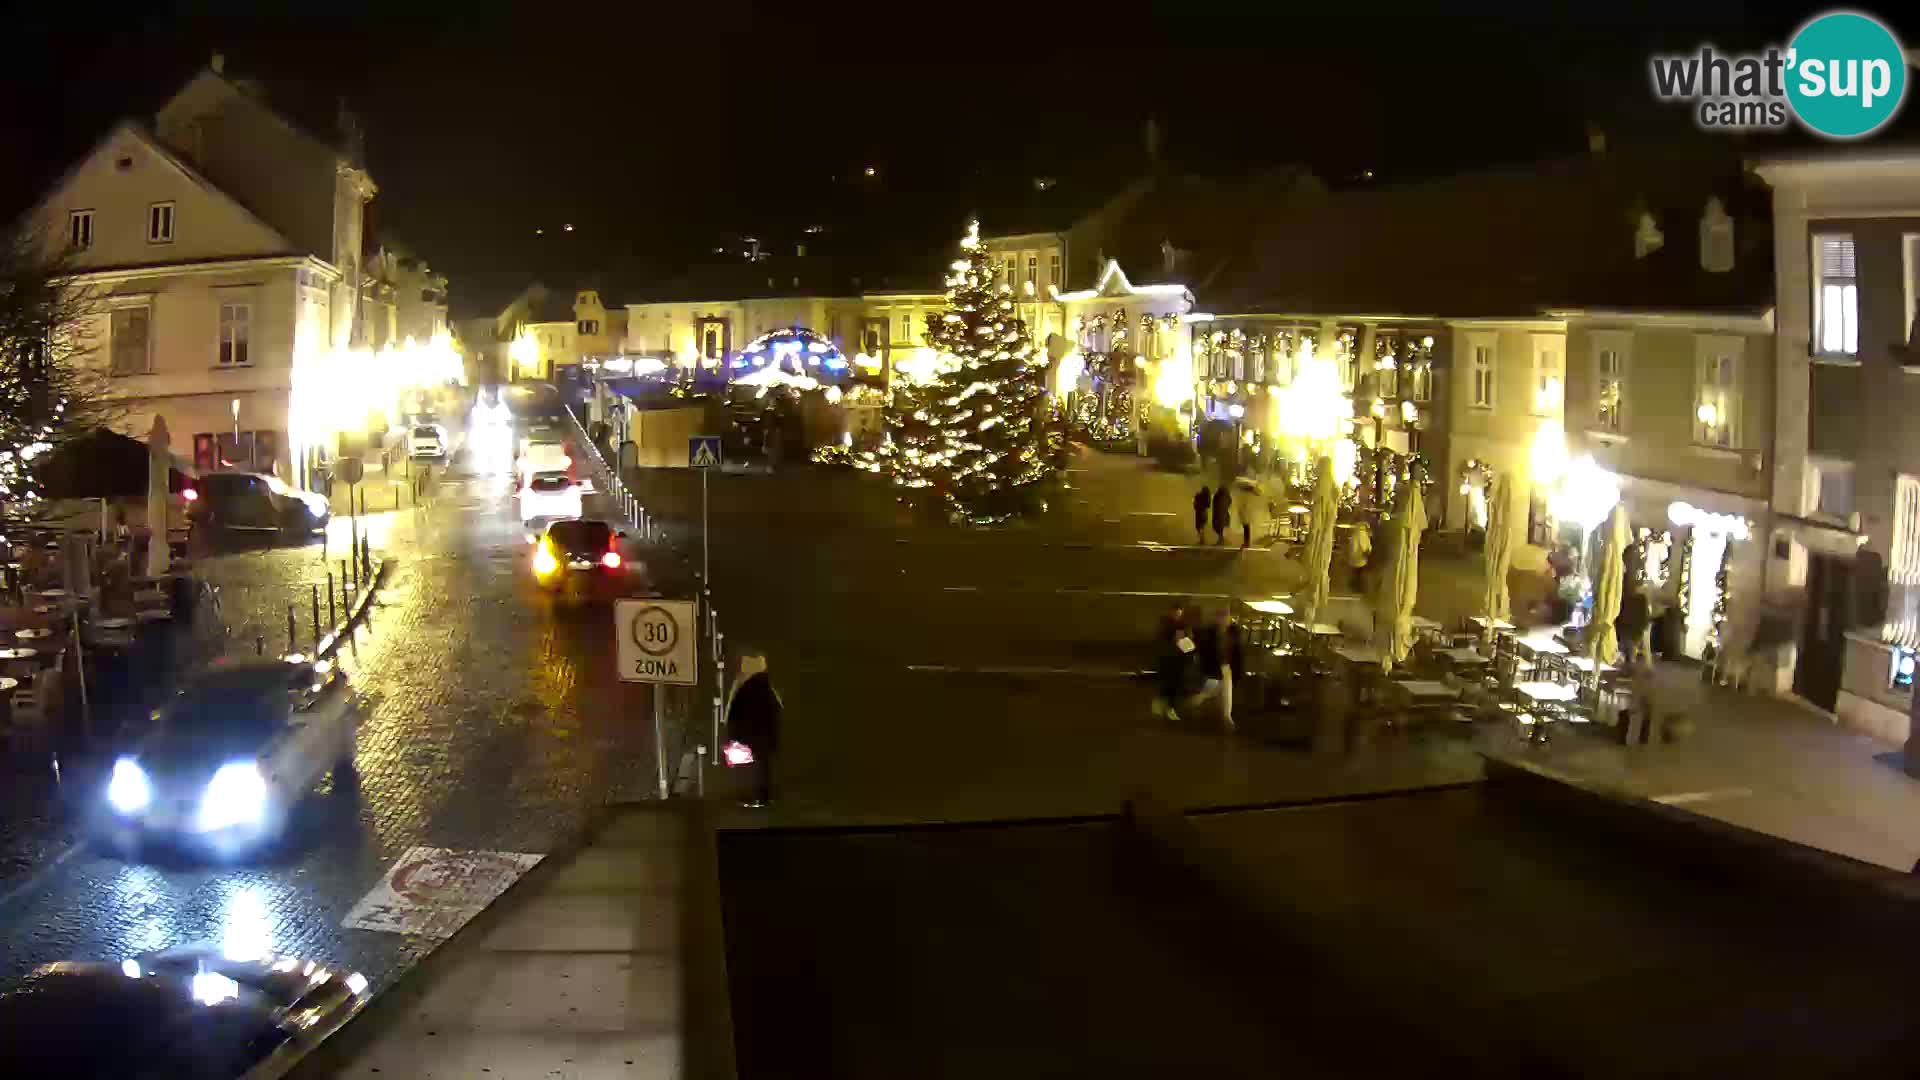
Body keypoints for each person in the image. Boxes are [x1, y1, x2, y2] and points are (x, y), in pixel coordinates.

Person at [726, 653, 783, 807]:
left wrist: (734, 735)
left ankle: (749, 796)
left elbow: (735, 713)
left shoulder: (742, 687)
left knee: (746, 768)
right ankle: (764, 796)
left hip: (747, 736)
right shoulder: (768, 687)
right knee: (764, 766)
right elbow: (776, 711)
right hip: (765, 736)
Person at [1192, 608, 1245, 732]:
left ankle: (1226, 716)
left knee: (1226, 689)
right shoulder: (1209, 633)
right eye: (1221, 618)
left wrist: (1237, 670)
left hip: (1226, 666)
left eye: (1225, 618)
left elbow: (1237, 653)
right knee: (1213, 690)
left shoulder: (1234, 632)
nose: (1224, 620)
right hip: (1214, 668)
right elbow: (1203, 650)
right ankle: (1198, 701)